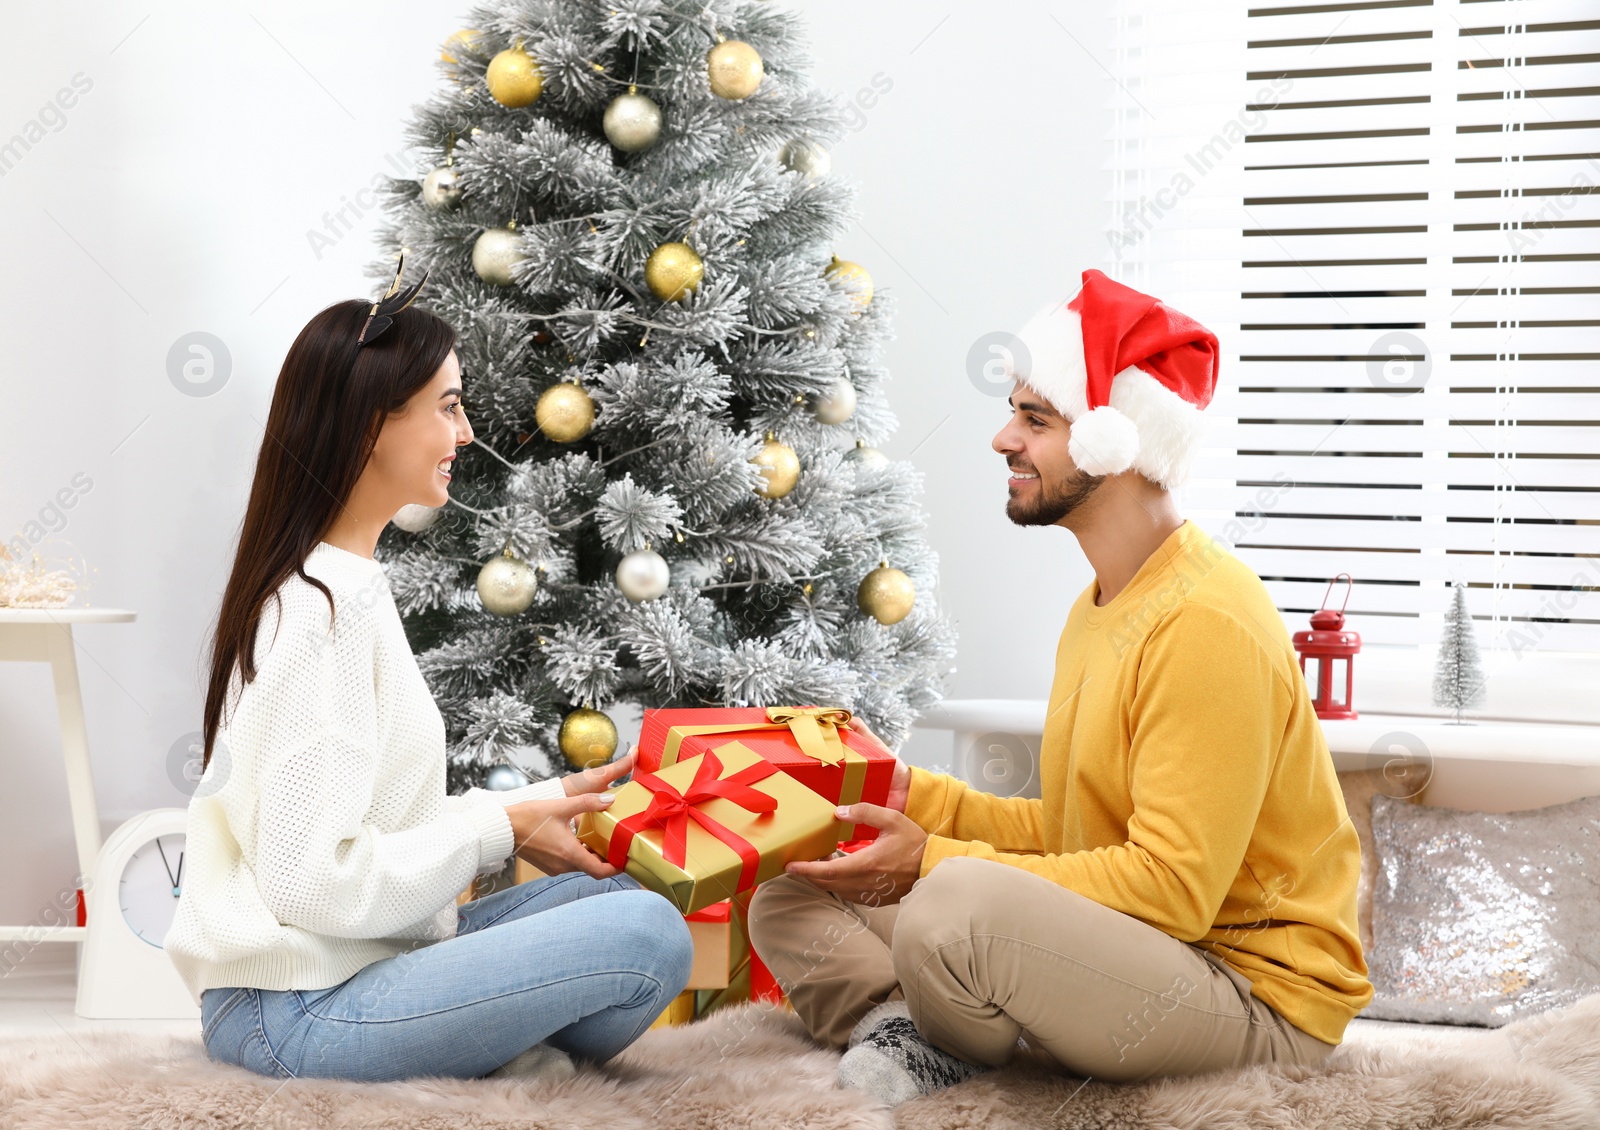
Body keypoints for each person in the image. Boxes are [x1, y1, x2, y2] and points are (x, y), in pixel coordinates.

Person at [747, 269, 1373, 1107]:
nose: (1004, 439)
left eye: (1034, 419)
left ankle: (945, 1031)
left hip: (1254, 997)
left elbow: (1172, 892)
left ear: (1113, 443)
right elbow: (1075, 834)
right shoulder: (1100, 604)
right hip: (1143, 953)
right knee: (791, 887)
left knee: (953, 907)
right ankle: (919, 1029)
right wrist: (919, 797)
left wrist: (933, 860)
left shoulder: (1204, 621)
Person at [165, 260, 693, 1083]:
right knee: (647, 937)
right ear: (373, 424)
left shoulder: (341, 584)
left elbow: (367, 823)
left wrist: (529, 805)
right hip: (293, 1007)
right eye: (449, 406)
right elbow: (312, 885)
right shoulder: (319, 611)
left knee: (614, 908)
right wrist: (499, 829)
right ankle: (488, 1048)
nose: (467, 432)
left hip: (342, 968)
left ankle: (479, 1042)